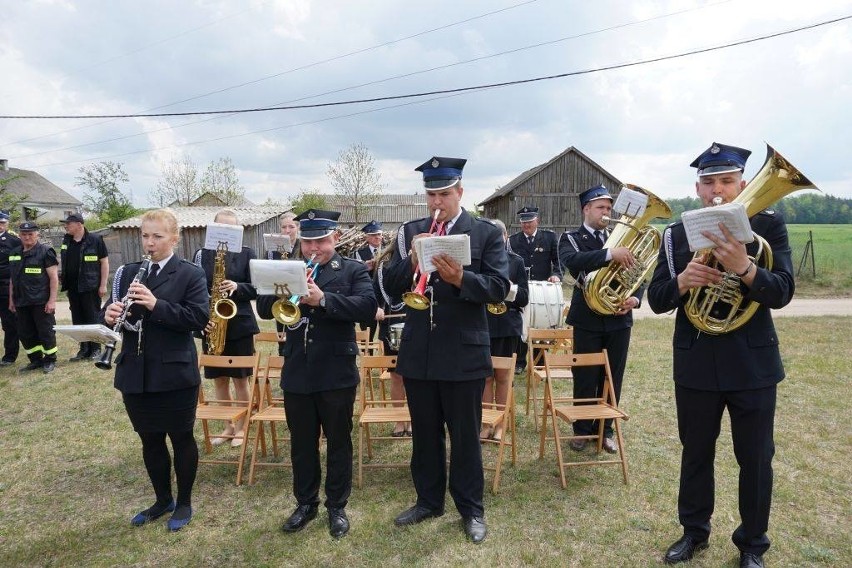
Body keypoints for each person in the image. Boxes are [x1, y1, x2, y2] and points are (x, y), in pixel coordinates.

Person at [648, 143, 794, 568]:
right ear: (697, 187)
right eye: (709, 182)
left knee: (756, 459)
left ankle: (752, 544)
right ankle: (694, 532)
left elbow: (782, 291)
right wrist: (682, 282)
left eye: (726, 181)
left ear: (742, 184)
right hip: (695, 362)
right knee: (695, 453)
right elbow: (657, 300)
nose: (717, 191)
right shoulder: (676, 234)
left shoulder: (768, 225)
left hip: (753, 365)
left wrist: (746, 269)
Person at [382, 156, 509, 544]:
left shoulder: (484, 232)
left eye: (444, 194)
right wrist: (410, 259)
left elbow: (500, 287)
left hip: (464, 351)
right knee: (424, 433)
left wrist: (461, 279)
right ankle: (428, 500)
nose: (437, 202)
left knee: (466, 436)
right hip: (419, 349)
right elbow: (388, 287)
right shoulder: (411, 231)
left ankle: (471, 509)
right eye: (431, 194)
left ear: (460, 192)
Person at [256, 209, 377, 539]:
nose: (313, 249)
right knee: (301, 443)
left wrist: (324, 300)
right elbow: (265, 309)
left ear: (335, 239)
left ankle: (336, 505)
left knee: (339, 441)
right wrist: (284, 289)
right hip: (297, 369)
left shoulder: (351, 270)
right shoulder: (289, 268)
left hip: (336, 372)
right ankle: (305, 503)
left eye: (321, 241)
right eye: (308, 242)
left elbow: (367, 308)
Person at [101, 209, 209, 532]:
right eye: (145, 236)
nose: (150, 243)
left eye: (157, 236)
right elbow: (106, 309)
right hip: (135, 372)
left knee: (181, 438)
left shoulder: (190, 274)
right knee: (149, 440)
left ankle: (185, 501)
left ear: (174, 239)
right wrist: (108, 314)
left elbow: (197, 319)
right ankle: (163, 499)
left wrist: (155, 305)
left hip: (175, 375)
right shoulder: (129, 272)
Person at [557, 184, 641, 454]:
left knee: (612, 375)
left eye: (608, 208)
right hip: (587, 320)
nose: (606, 213)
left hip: (619, 319)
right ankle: (581, 429)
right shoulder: (570, 238)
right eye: (601, 208)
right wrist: (609, 254)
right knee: (584, 373)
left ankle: (606, 430)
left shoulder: (622, 239)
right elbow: (574, 261)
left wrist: (635, 299)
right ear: (586, 209)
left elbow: (639, 272)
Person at [193, 209, 259, 448]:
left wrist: (238, 286)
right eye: (221, 228)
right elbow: (193, 286)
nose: (225, 232)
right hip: (211, 322)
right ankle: (228, 426)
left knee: (241, 380)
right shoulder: (201, 254)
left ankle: (243, 427)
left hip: (239, 322)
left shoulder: (247, 253)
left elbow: (257, 288)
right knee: (219, 379)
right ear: (213, 228)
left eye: (231, 229)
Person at [482, 219, 528, 441]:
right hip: (483, 326)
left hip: (507, 326)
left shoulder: (516, 262)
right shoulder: (479, 261)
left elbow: (525, 297)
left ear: (506, 237)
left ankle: (500, 424)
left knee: (503, 377)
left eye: (499, 236)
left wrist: (507, 289)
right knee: (485, 378)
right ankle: (485, 423)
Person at [507, 206, 562, 374]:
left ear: (537, 220)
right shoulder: (513, 240)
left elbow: (558, 263)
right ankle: (519, 362)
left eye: (529, 222)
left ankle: (539, 362)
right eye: (523, 222)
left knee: (541, 322)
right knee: (521, 323)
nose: (526, 226)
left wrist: (556, 276)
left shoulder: (550, 238)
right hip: (522, 289)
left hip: (542, 291)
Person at [9, 222, 59, 374]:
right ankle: (35, 360)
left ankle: (50, 359)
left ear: (37, 234)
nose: (27, 237)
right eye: (24, 234)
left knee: (45, 331)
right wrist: (11, 300)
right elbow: (12, 279)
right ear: (19, 235)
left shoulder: (46, 252)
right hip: (21, 301)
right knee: (26, 332)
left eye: (30, 234)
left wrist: (52, 300)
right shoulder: (14, 253)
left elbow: (54, 278)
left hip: (40, 301)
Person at [59, 213, 109, 362]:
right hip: (73, 287)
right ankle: (84, 349)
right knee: (78, 319)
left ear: (79, 224)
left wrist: (103, 285)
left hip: (90, 286)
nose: (66, 226)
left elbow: (105, 263)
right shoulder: (66, 240)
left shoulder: (95, 240)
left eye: (68, 223)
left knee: (92, 317)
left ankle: (96, 349)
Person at [373, 238, 409, 437]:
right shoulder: (384, 266)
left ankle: (412, 418)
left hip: (415, 326)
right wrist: (377, 307)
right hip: (391, 325)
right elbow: (375, 294)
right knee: (396, 377)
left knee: (413, 377)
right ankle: (399, 421)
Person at [354, 220, 384, 341]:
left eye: (379, 234)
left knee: (385, 333)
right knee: (367, 333)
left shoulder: (389, 251)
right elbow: (355, 275)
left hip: (384, 296)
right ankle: (368, 357)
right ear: (367, 237)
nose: (377, 237)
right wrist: (364, 268)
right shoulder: (358, 253)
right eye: (373, 235)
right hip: (367, 295)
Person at [0, 212, 21, 366]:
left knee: (9, 324)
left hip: (5, 288)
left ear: (6, 224)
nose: (0, 226)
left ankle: (10, 355)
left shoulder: (14, 241)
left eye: (2, 222)